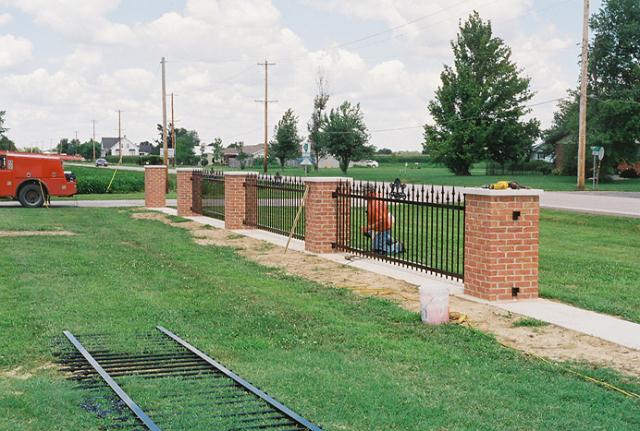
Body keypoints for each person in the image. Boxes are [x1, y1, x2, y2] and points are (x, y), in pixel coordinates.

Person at [361, 186, 404, 255]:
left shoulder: (376, 203)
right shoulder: (371, 199)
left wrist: (368, 228)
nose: (363, 194)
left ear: (371, 193)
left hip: (383, 227)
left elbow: (382, 221)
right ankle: (389, 239)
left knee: (379, 251)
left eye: (364, 192)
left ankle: (398, 247)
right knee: (375, 247)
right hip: (379, 227)